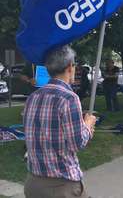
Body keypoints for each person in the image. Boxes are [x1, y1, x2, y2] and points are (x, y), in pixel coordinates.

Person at [23, 45, 96, 198]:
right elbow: (77, 143)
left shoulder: (33, 97)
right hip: (61, 186)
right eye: (75, 65)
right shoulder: (69, 98)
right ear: (70, 67)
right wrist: (88, 125)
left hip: (33, 183)